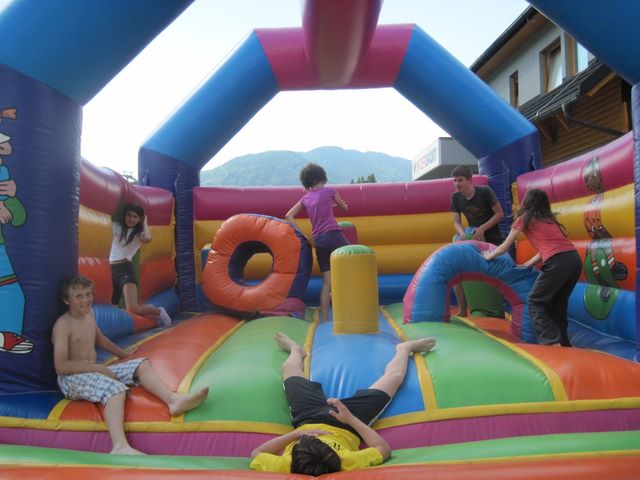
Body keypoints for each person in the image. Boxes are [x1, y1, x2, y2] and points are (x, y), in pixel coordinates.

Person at [52, 275, 209, 455]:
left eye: (88, 294)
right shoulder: (63, 325)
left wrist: (123, 354)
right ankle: (120, 446)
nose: (86, 300)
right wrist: (99, 368)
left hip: (93, 371)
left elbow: (100, 340)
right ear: (67, 300)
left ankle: (173, 401)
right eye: (79, 296)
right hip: (72, 378)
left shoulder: (89, 315)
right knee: (116, 390)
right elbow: (61, 366)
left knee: (141, 364)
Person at [249, 332, 437, 475]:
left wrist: (298, 433)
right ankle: (404, 349)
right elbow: (383, 450)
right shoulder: (345, 461)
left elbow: (257, 453)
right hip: (346, 424)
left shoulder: (286, 464)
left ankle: (296, 351)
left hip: (306, 418)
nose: (318, 437)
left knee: (289, 369)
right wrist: (350, 419)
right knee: (394, 378)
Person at [482, 189, 581, 347]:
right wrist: (528, 264)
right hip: (574, 260)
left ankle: (551, 342)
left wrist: (489, 256)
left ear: (526, 202)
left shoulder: (523, 219)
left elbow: (505, 246)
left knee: (535, 301)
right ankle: (564, 344)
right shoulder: (549, 220)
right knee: (558, 306)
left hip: (557, 262)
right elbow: (550, 248)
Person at [285, 163, 349, 322]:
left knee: (327, 283)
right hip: (334, 235)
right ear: (322, 177)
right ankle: (351, 310)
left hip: (319, 240)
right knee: (354, 261)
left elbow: (288, 215)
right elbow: (345, 208)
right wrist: (338, 204)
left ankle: (325, 319)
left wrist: (302, 234)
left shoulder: (305, 198)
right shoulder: (329, 191)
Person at [450, 165, 504, 316]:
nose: (457, 184)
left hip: (491, 238)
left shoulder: (485, 192)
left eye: (460, 180)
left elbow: (499, 214)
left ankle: (496, 307)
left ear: (469, 180)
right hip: (473, 238)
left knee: (493, 273)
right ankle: (462, 309)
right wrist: (461, 233)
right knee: (456, 270)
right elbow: (456, 222)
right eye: (455, 180)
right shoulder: (455, 197)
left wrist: (482, 228)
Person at [110, 203, 171, 326]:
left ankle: (159, 311)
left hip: (124, 269)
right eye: (129, 215)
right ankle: (150, 315)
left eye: (135, 217)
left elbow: (148, 238)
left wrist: (145, 223)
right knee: (113, 305)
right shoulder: (116, 226)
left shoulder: (138, 234)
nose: (131, 219)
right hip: (110, 269)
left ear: (140, 219)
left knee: (132, 307)